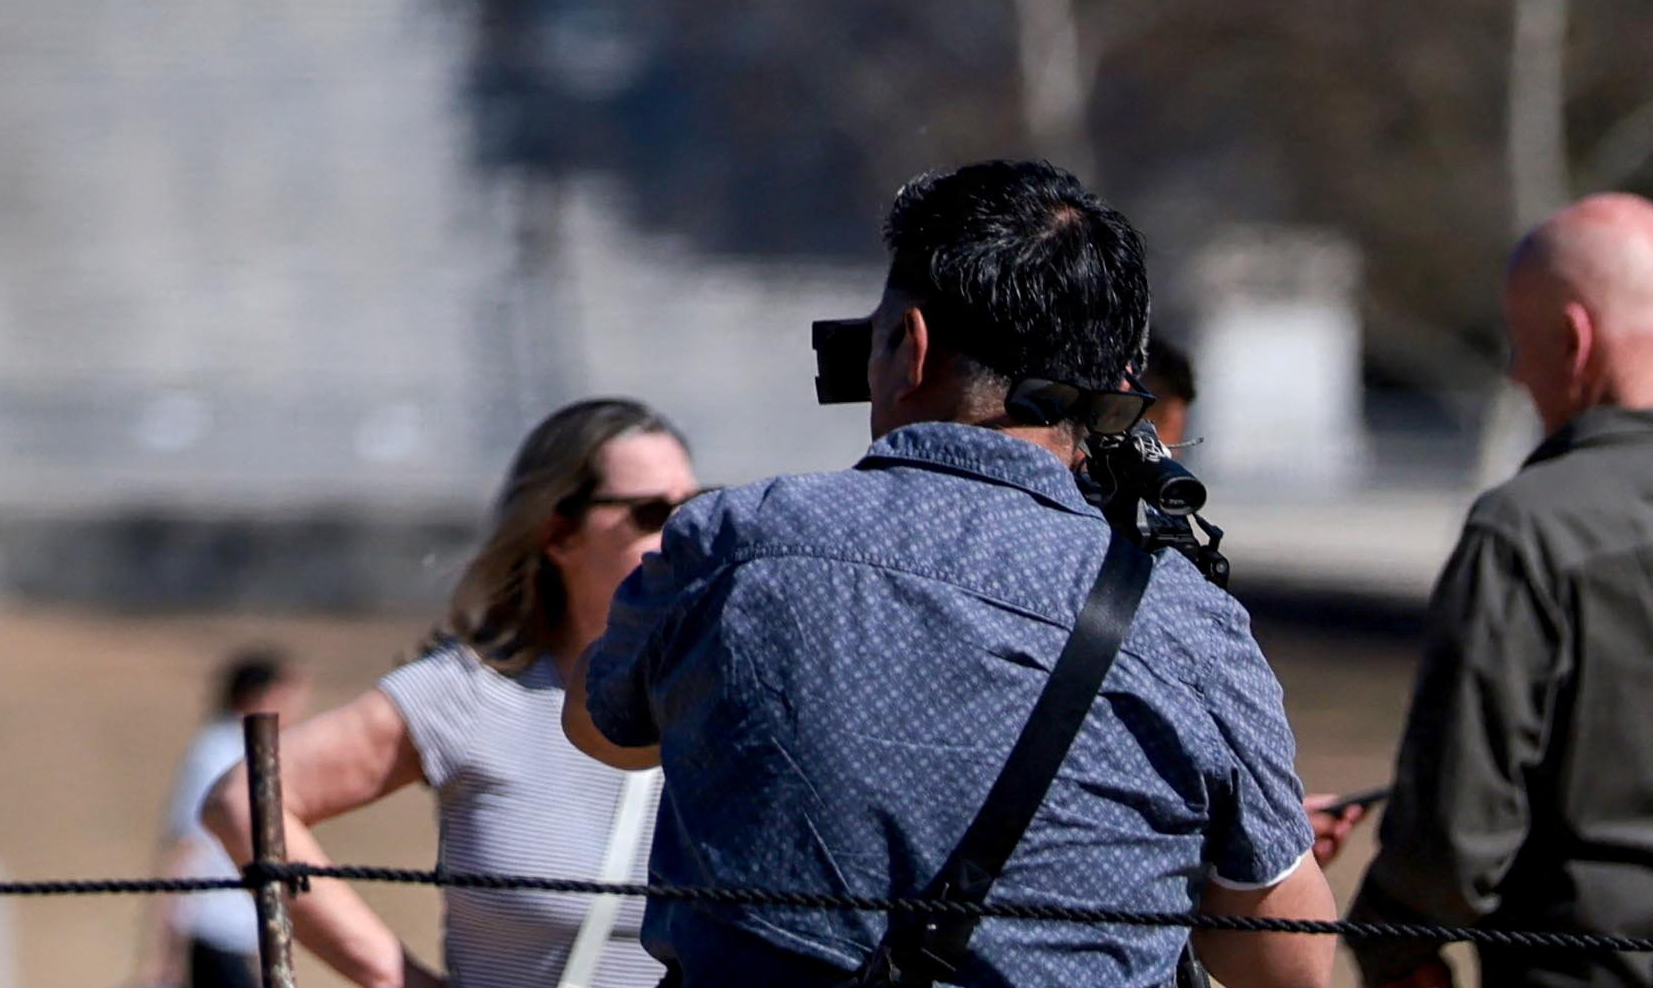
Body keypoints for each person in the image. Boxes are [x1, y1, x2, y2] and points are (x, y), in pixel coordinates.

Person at [574, 157, 1329, 988]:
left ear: (911, 343)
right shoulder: (1187, 623)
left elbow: (601, 723)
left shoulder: (735, 541)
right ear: (1116, 386)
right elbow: (1286, 956)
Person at [212, 402, 707, 988]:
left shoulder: (735, 687)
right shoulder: (472, 692)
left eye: (697, 507)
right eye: (651, 512)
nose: (684, 533)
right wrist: (395, 978)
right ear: (559, 534)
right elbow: (245, 800)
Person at [1345, 193, 1653, 986]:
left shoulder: (1529, 530)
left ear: (1576, 341)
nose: (1516, 373)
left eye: (1521, 346)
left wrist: (1392, 943)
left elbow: (1454, 828)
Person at [153, 653, 298, 988]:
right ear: (258, 696)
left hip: (237, 931)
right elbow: (186, 848)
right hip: (212, 928)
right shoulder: (216, 753)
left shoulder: (243, 750)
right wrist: (166, 952)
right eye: (287, 693)